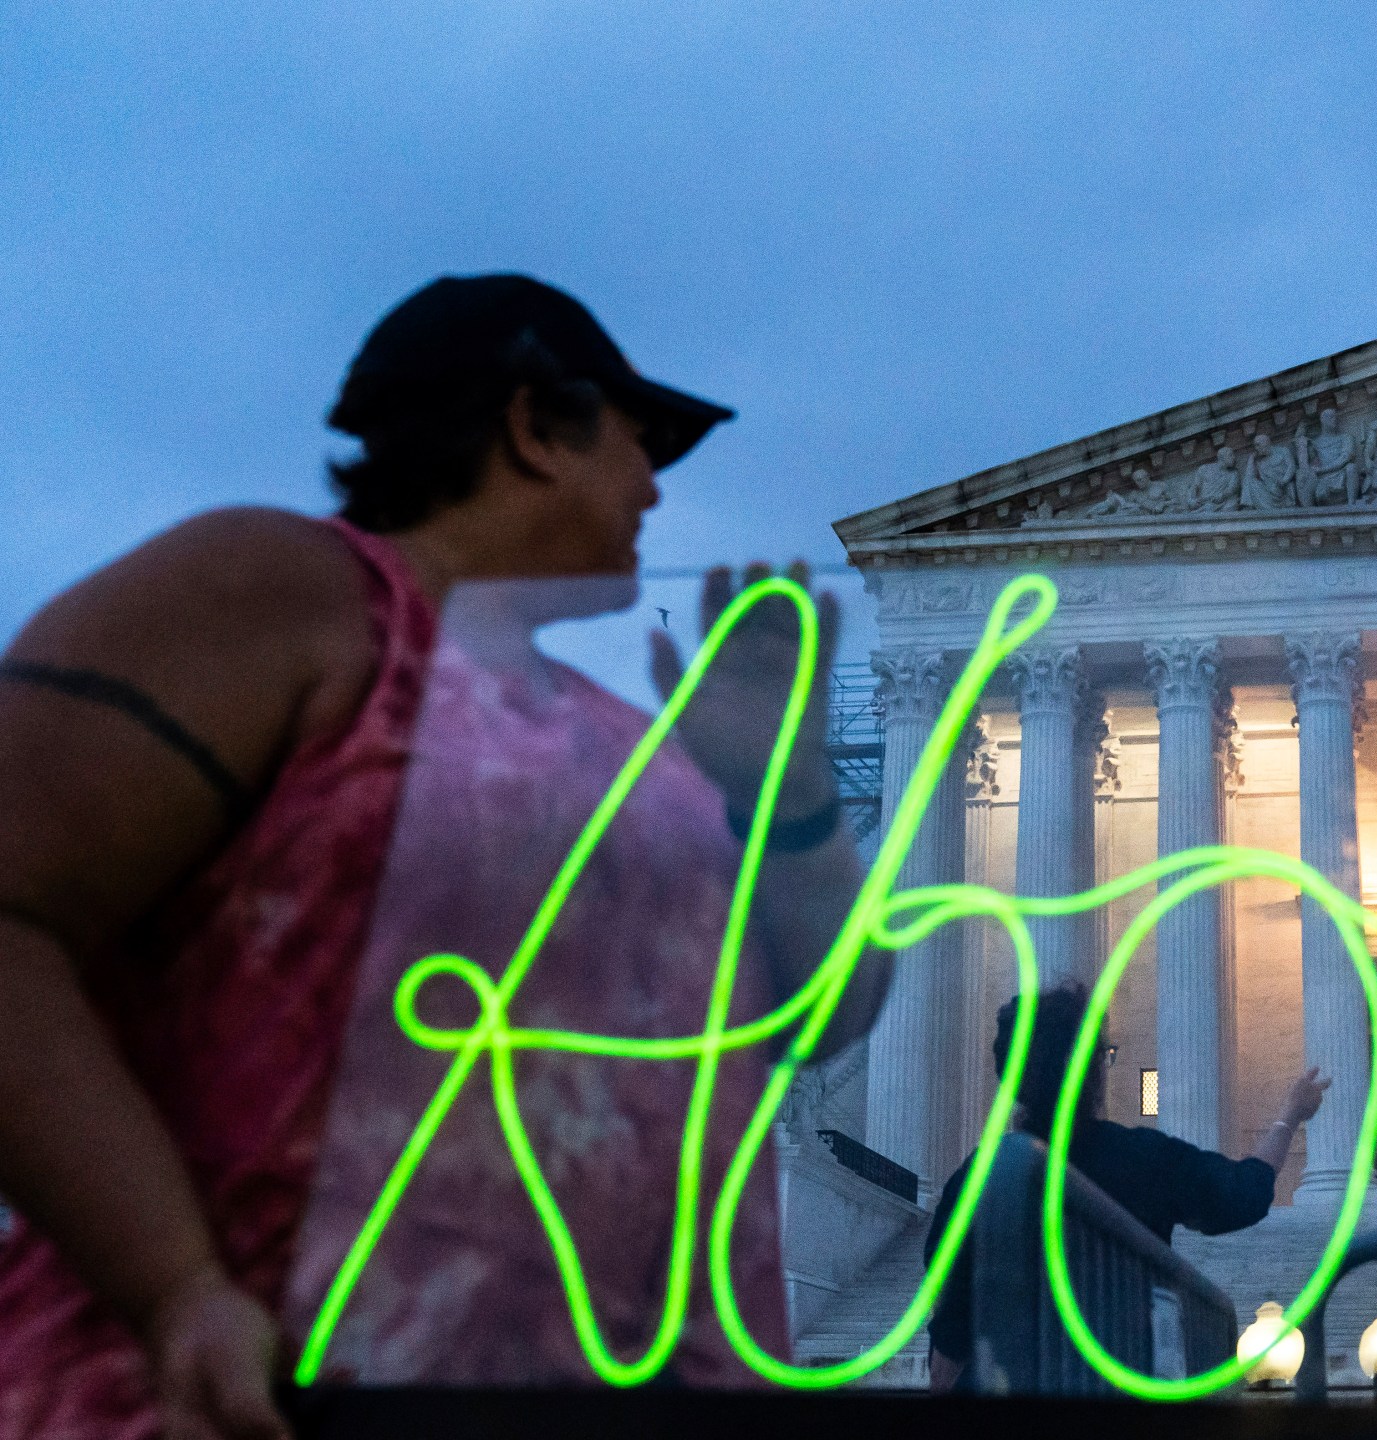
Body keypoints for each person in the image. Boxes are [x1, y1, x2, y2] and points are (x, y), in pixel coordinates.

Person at [0, 274, 886, 1437]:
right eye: (643, 439)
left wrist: (792, 800)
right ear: (533, 427)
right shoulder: (283, 589)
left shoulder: (622, 742)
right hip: (247, 1396)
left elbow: (821, 1019)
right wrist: (175, 1287)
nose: (658, 485)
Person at [924, 985, 1328, 1393]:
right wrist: (1290, 1115)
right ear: (1093, 1071)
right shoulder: (1144, 1159)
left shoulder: (975, 1181)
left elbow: (948, 1342)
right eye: (1104, 1055)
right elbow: (1246, 1193)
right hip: (1125, 1402)